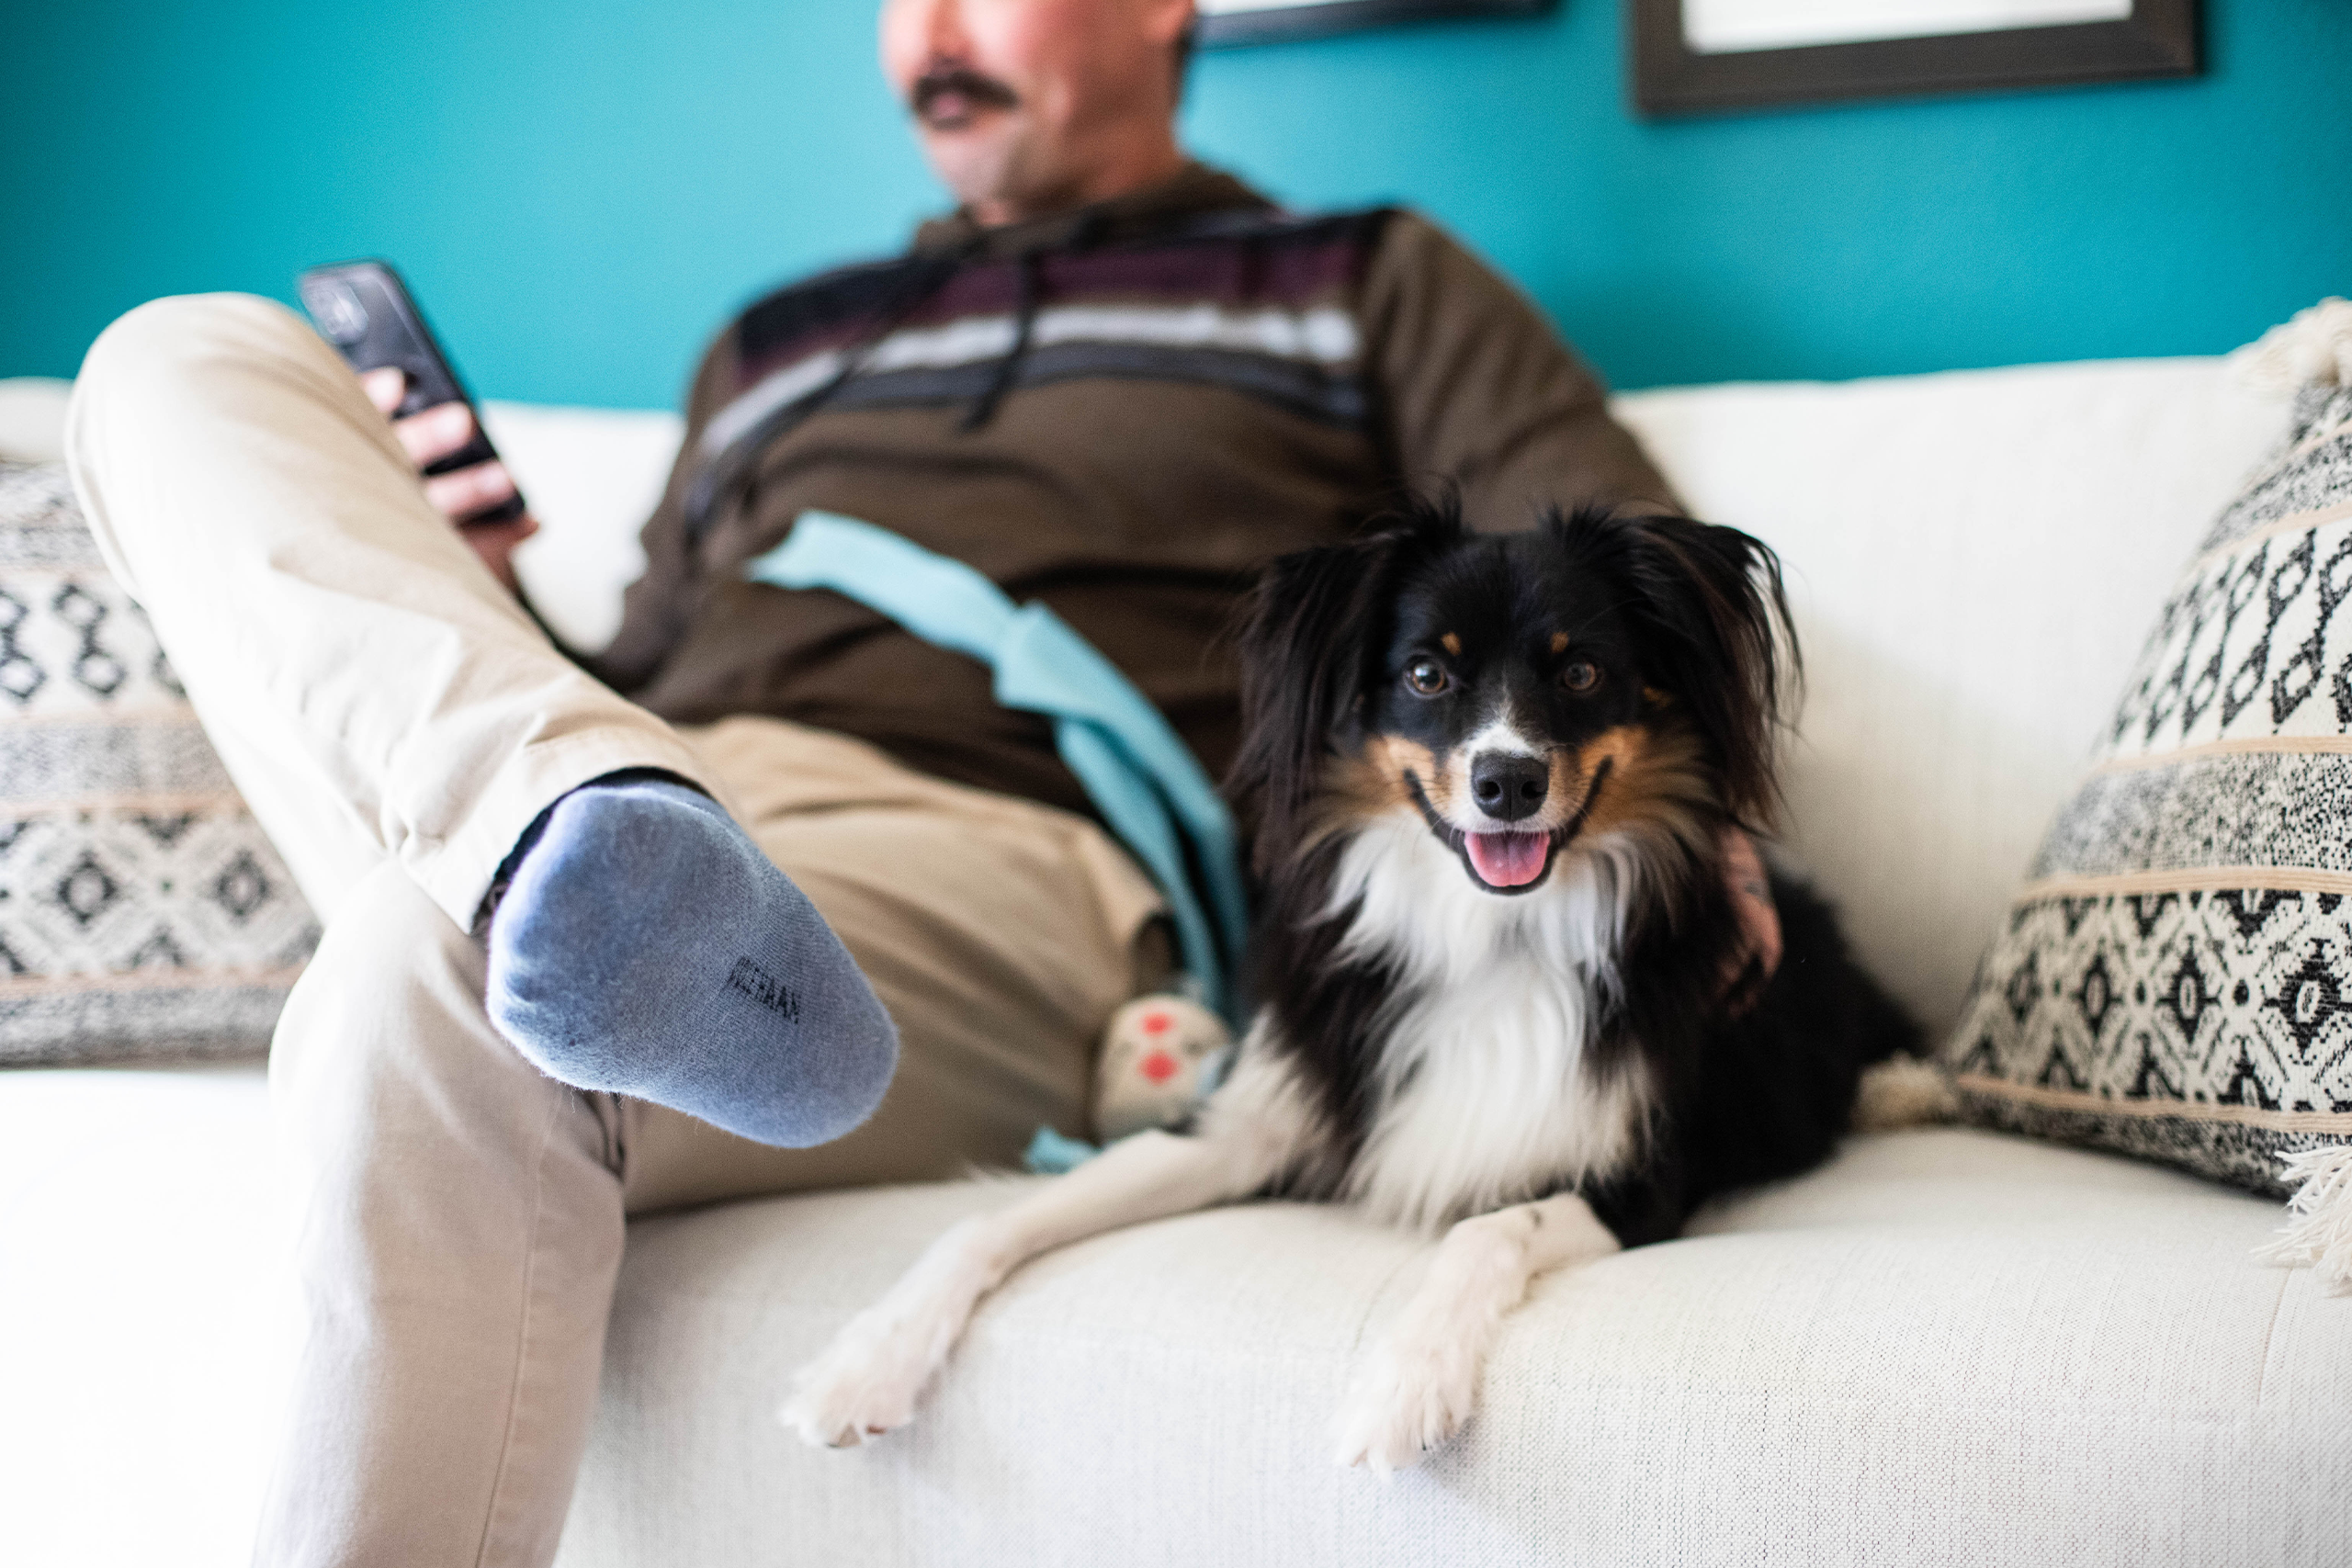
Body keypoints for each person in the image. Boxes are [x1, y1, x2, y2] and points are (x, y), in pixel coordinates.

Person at [65, 1, 1778, 1563]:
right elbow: (637, 669)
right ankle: (540, 840)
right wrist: (492, 598)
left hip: (991, 854)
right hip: (662, 785)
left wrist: (1725, 860)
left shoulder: (1360, 277)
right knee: (178, 354)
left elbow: (1626, 612)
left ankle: (534, 881)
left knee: (413, 975)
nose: (929, 36)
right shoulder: (770, 342)